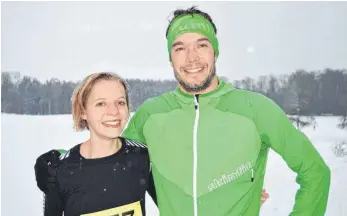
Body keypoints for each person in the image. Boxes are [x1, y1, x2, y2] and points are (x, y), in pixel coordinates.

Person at [122, 6, 331, 216]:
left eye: (201, 45)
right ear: (171, 58)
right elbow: (115, 168)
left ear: (215, 52)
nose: (191, 58)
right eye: (180, 48)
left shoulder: (255, 109)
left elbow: (315, 172)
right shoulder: (150, 114)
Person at [34, 72, 157, 216]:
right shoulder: (59, 171)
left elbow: (173, 206)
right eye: (101, 103)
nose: (114, 112)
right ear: (83, 112)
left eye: (120, 102)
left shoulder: (143, 158)